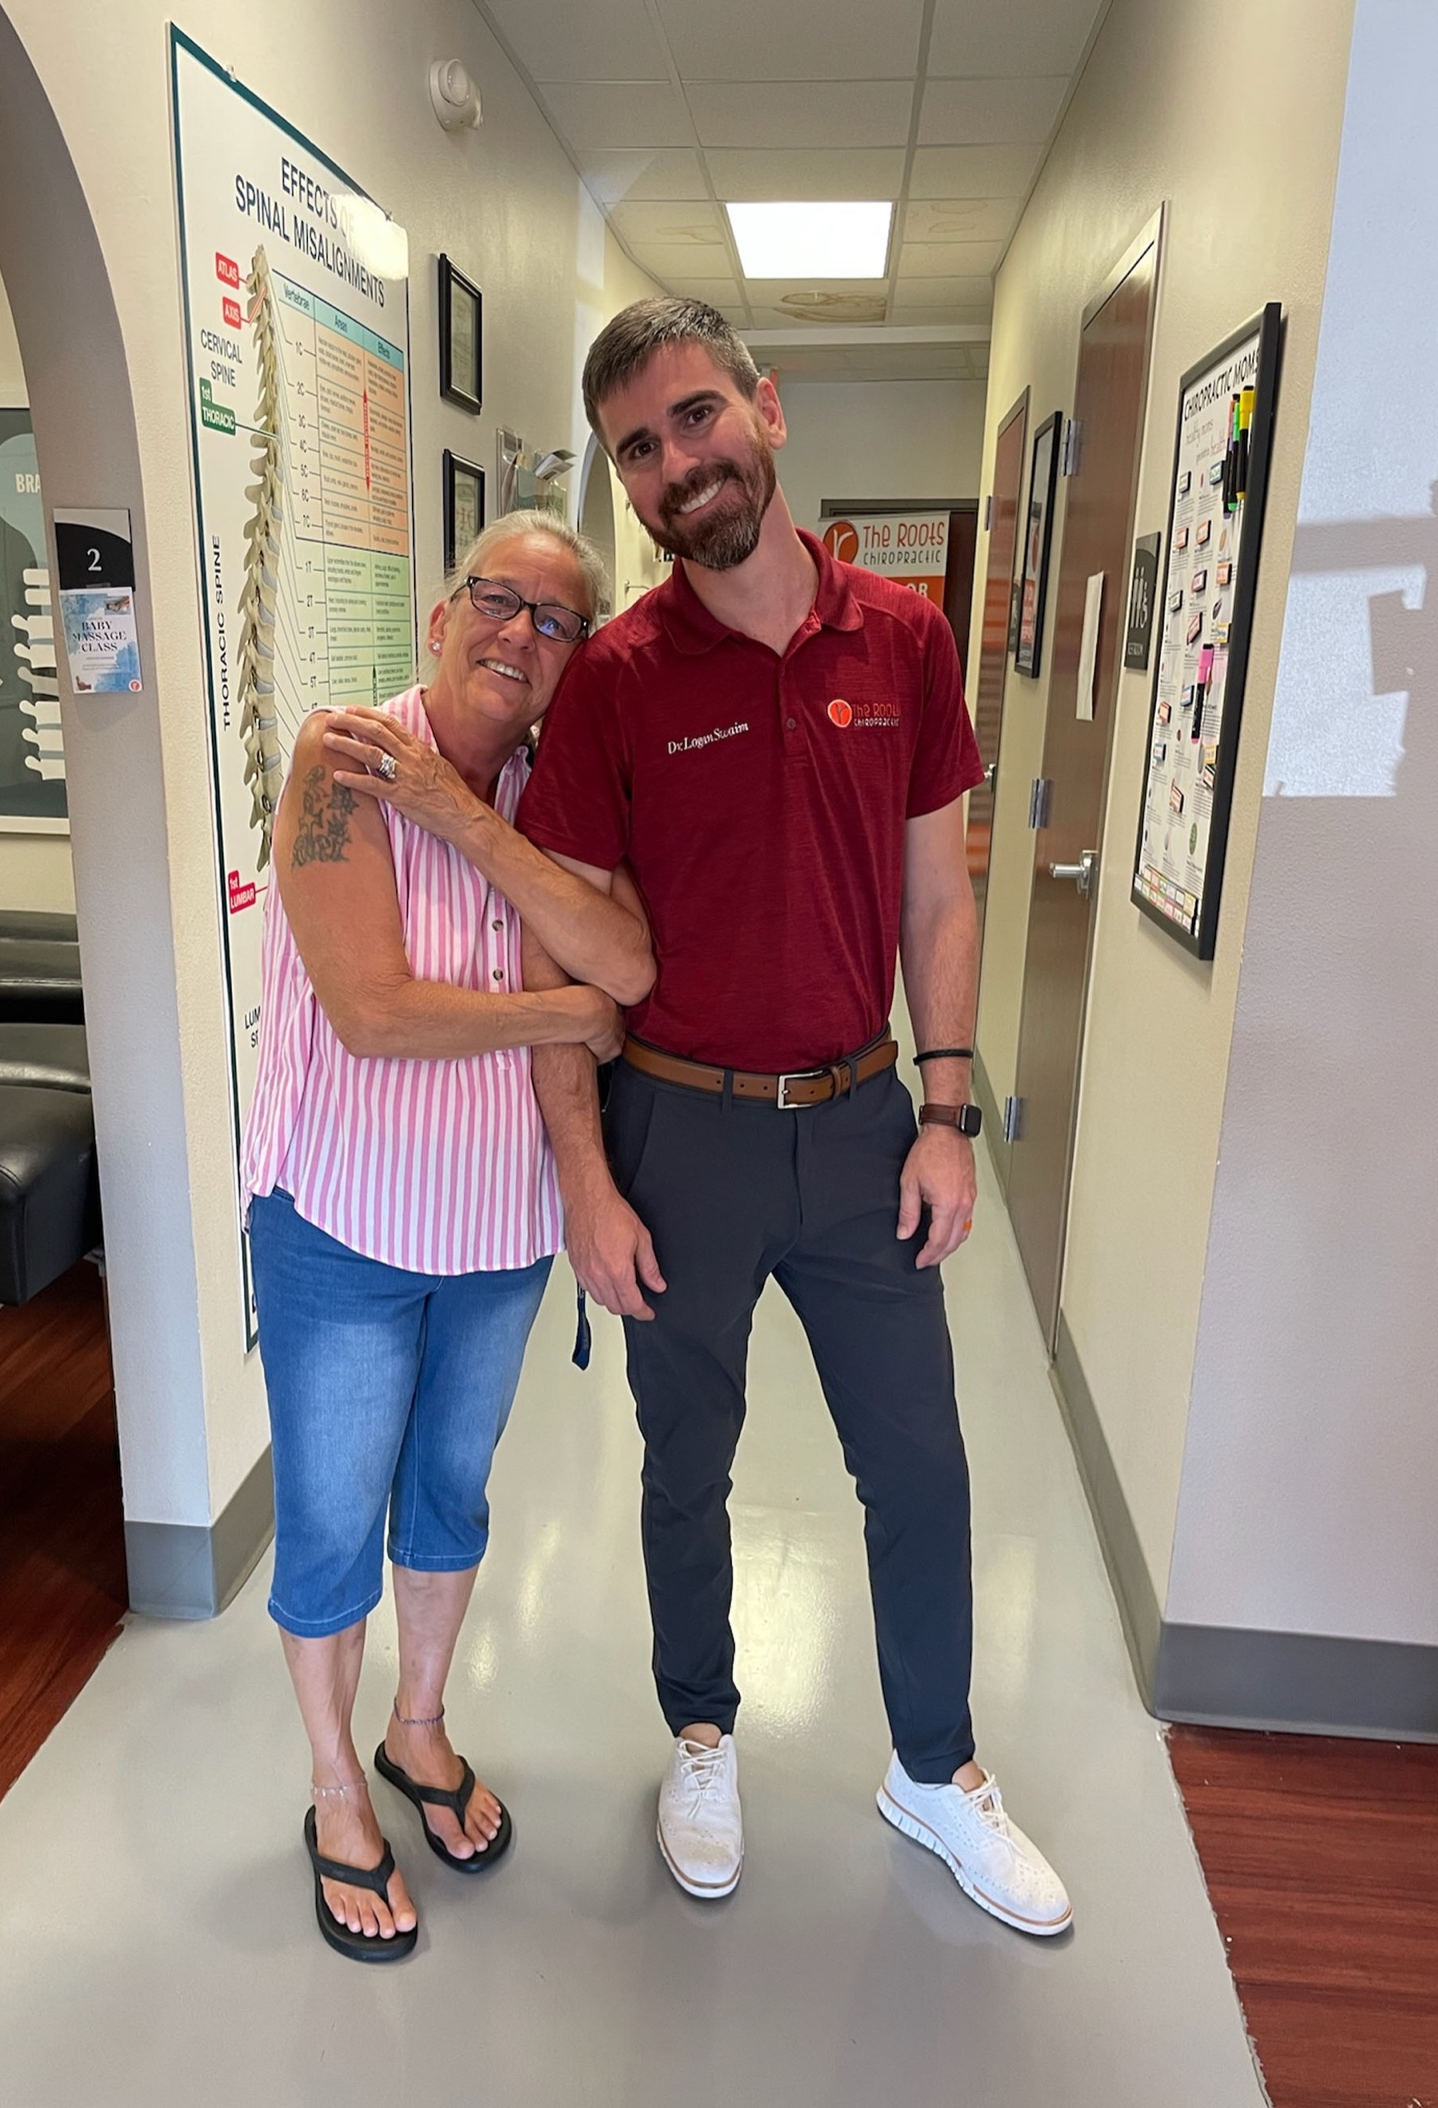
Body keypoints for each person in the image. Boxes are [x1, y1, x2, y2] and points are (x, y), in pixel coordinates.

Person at [514, 300, 1072, 1937]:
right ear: (625, 483)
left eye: (694, 418)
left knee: (920, 1462)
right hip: (675, 1134)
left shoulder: (901, 641)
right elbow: (562, 949)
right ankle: (702, 1732)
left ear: (765, 408)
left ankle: (937, 1765)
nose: (675, 464)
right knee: (685, 1462)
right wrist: (583, 1181)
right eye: (638, 447)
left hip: (859, 1122)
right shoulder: (615, 683)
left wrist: (949, 1107)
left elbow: (936, 894)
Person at [241, 510, 653, 1962]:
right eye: (499, 600)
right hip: (341, 1221)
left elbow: (632, 959)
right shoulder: (341, 758)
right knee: (336, 1510)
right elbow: (374, 1009)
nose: (520, 636)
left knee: (452, 1493)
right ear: (440, 611)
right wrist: (559, 1013)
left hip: (497, 1231)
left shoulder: (562, 790)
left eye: (557, 622)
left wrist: (486, 834)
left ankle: (419, 1727)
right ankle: (333, 1781)